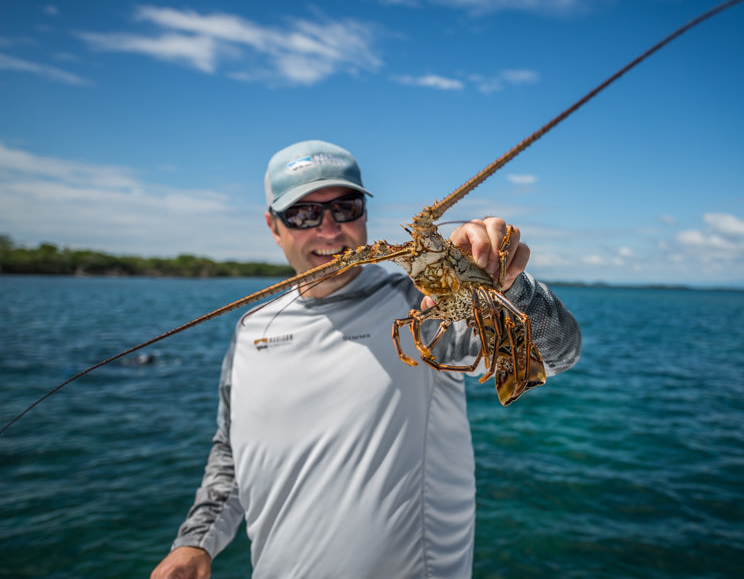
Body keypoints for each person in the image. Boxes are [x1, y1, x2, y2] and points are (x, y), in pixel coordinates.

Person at [150, 140, 581, 578]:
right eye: (303, 214)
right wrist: (195, 542)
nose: (329, 230)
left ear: (364, 214)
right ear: (273, 226)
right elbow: (232, 449)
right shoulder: (251, 327)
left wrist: (504, 284)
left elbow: (559, 352)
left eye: (345, 208)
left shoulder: (420, 305)